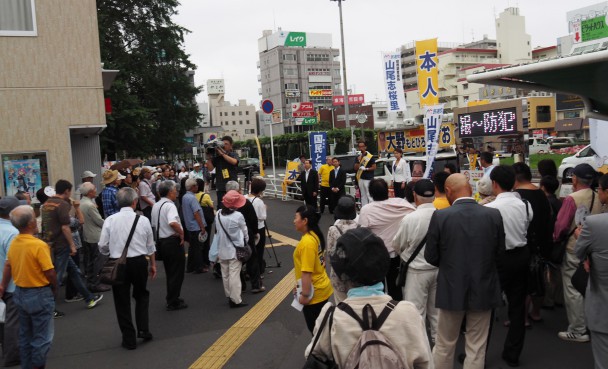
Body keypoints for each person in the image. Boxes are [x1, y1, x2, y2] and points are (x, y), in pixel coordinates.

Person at [306, 227, 433, 369]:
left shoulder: (331, 318)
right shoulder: (408, 313)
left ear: (343, 274)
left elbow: (312, 357)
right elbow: (426, 363)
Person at [424, 173, 504, 369]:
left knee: (444, 343)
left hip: (451, 287)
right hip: (484, 286)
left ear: (448, 191)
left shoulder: (441, 216)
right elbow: (500, 254)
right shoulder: (493, 215)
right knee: (477, 345)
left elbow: (431, 256)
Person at [485, 165, 533, 367]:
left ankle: (477, 355)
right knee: (517, 306)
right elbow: (527, 225)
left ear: (494, 184)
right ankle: (513, 353)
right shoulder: (525, 204)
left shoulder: (489, 209)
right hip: (521, 255)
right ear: (513, 183)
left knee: (486, 309)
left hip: (498, 259)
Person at [98, 187, 156, 350]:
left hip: (118, 263)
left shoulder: (110, 220)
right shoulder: (142, 220)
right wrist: (152, 264)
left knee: (121, 300)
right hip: (139, 262)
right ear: (135, 201)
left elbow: (102, 245)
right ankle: (144, 329)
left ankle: (129, 339)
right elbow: (150, 245)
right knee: (141, 295)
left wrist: (112, 252)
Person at [0, 205, 57, 369]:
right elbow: (50, 271)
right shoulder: (38, 245)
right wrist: (54, 287)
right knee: (42, 337)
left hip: (20, 292)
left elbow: (8, 265)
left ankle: (26, 365)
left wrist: (3, 285)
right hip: (39, 292)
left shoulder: (15, 241)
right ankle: (37, 366)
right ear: (31, 223)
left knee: (25, 335)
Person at [553, 163, 603, 343]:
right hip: (596, 248)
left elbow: (561, 225)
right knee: (591, 287)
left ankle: (577, 329)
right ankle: (592, 323)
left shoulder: (571, 198)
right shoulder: (599, 195)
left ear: (574, 178)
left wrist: (556, 237)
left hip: (575, 248)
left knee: (573, 288)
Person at [41, 180, 103, 313]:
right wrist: (72, 245)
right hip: (62, 244)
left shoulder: (46, 204)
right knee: (57, 276)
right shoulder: (62, 204)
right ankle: (48, 307)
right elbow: (65, 226)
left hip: (50, 243)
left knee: (74, 272)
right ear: (67, 191)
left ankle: (89, 298)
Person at [392, 179, 439, 342]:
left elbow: (397, 245)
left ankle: (420, 353)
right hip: (439, 270)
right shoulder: (443, 215)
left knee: (416, 313)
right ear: (434, 195)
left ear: (414, 195)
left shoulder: (410, 218)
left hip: (416, 271)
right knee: (437, 314)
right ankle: (439, 353)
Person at [358, 178, 415, 300]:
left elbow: (362, 232)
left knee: (378, 288)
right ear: (388, 191)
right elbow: (413, 211)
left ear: (371, 194)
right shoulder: (400, 203)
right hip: (396, 253)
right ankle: (397, 312)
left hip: (376, 255)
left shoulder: (367, 210)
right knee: (396, 288)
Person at [574, 174, 608, 369]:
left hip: (602, 302)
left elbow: (579, 252)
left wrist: (580, 236)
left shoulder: (594, 224)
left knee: (603, 359)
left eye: (600, 190)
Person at [513, 162, 553, 323]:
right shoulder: (541, 194)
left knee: (522, 283)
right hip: (542, 242)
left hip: (524, 243)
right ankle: (536, 312)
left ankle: (522, 318)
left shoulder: (516, 196)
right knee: (538, 279)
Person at [293, 205, 333, 333]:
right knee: (323, 331)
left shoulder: (307, 243)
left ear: (304, 221)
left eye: (296, 217)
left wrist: (304, 294)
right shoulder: (314, 235)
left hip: (314, 293)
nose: (294, 221)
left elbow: (306, 272)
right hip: (321, 287)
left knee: (317, 333)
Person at [151, 180, 187, 311]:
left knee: (170, 272)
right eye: (175, 191)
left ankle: (172, 297)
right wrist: (182, 233)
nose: (176, 193)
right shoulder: (170, 205)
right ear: (170, 192)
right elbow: (172, 222)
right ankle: (173, 301)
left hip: (161, 241)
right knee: (177, 272)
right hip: (172, 241)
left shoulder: (156, 205)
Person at [215, 190, 249, 308]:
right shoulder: (238, 216)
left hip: (222, 248)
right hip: (235, 249)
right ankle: (236, 300)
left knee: (225, 274)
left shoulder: (218, 213)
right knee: (234, 274)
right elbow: (245, 232)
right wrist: (246, 241)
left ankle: (229, 296)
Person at [225, 181, 259, 291]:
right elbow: (253, 219)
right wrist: (255, 232)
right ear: (238, 190)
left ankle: (241, 285)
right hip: (246, 234)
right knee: (252, 258)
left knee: (236, 261)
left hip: (230, 235)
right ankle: (256, 285)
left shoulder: (224, 203)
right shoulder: (245, 202)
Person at [0, 197, 22, 367]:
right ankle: (12, 355)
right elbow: (11, 262)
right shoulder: (13, 233)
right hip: (9, 284)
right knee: (12, 320)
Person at [326, 196, 359, 303]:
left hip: (338, 276)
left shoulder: (333, 230)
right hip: (356, 275)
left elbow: (330, 254)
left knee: (341, 306)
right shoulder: (360, 228)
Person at [79, 182, 110, 293]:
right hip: (95, 235)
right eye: (94, 189)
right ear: (90, 192)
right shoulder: (90, 205)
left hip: (87, 234)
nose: (96, 191)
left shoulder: (82, 202)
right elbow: (99, 221)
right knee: (97, 261)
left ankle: (91, 281)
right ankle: (95, 283)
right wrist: (110, 225)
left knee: (91, 261)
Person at [181, 178, 208, 274]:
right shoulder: (192, 198)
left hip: (190, 225)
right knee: (197, 248)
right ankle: (199, 267)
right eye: (196, 185)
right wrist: (202, 226)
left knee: (192, 247)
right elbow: (196, 213)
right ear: (193, 187)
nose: (197, 186)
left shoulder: (185, 197)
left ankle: (190, 267)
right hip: (196, 226)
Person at [246, 178, 268, 294]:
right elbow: (262, 217)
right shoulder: (259, 202)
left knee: (249, 251)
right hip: (258, 228)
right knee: (258, 252)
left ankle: (247, 272)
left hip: (246, 228)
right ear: (260, 190)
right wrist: (265, 208)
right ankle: (257, 273)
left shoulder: (244, 197)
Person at [207, 136, 239, 207]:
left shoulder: (233, 154)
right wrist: (209, 158)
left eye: (226, 144)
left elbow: (235, 162)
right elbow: (210, 169)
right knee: (222, 207)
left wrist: (223, 154)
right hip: (221, 186)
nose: (224, 145)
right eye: (222, 144)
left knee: (233, 206)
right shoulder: (217, 157)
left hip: (232, 186)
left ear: (231, 145)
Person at [354, 141, 376, 206]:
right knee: (363, 195)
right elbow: (355, 168)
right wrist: (358, 161)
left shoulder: (370, 156)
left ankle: (372, 209)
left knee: (369, 194)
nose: (361, 148)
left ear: (365, 147)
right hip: (361, 178)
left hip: (368, 178)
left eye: (362, 146)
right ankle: (364, 208)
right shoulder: (358, 157)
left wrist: (366, 169)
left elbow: (374, 167)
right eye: (359, 147)